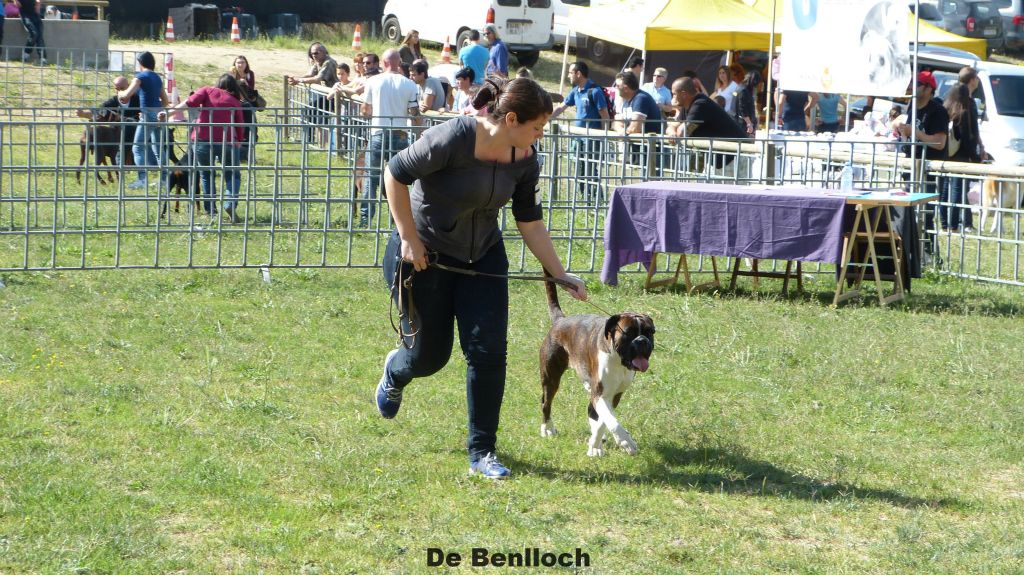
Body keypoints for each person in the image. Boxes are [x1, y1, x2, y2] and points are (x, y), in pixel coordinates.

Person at [376, 77, 588, 479]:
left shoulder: (526, 159)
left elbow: (530, 221)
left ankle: (483, 452)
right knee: (429, 357)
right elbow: (395, 173)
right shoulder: (453, 137)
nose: (541, 135)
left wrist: (560, 274)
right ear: (511, 119)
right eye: (538, 126)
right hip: (425, 257)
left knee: (489, 352)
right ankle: (396, 371)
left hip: (484, 258)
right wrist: (408, 238)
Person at [160, 74, 245, 222]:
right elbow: (240, 123)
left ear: (218, 83)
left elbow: (189, 102)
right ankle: (230, 204)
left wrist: (168, 113)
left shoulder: (207, 90)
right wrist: (239, 139)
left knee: (206, 175)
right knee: (233, 175)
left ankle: (211, 211)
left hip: (202, 140)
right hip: (227, 141)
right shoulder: (235, 101)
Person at [892, 70, 948, 263]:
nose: (912, 88)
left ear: (928, 88)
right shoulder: (912, 107)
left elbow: (940, 142)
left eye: (916, 84)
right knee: (909, 212)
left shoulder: (938, 111)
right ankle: (912, 255)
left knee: (926, 214)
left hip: (928, 169)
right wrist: (903, 132)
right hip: (911, 166)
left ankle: (931, 257)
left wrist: (915, 132)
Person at [360, 48, 419, 227]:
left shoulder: (373, 81)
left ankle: (365, 220)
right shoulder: (410, 84)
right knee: (399, 179)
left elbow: (365, 110)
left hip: (378, 132)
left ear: (384, 63)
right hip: (400, 134)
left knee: (371, 177)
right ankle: (398, 221)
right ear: (399, 63)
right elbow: (414, 112)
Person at [551, 61, 610, 200]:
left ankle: (597, 199)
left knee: (590, 169)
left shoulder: (595, 91)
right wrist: (546, 119)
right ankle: (584, 197)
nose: (568, 76)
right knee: (579, 168)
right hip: (577, 138)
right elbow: (561, 107)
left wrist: (604, 136)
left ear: (578, 74)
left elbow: (605, 115)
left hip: (592, 138)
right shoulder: (575, 91)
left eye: (570, 73)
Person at [118, 51, 169, 190]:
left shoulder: (139, 77)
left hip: (148, 115)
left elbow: (126, 96)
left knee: (137, 147)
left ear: (140, 63)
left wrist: (120, 93)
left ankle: (142, 179)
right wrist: (156, 110)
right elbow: (165, 101)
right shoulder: (157, 77)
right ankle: (164, 180)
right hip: (160, 115)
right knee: (158, 148)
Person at [942, 82, 982, 232]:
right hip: (961, 156)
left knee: (945, 190)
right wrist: (975, 157)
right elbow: (966, 138)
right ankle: (953, 225)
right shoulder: (963, 112)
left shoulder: (946, 109)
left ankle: (944, 223)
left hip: (947, 154)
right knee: (957, 191)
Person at [287, 42, 339, 142]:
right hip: (324, 95)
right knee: (310, 114)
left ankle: (310, 140)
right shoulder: (318, 62)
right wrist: (296, 78)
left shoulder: (329, 62)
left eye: (316, 53)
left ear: (324, 52)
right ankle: (309, 140)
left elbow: (317, 78)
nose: (314, 56)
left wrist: (299, 80)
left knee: (311, 113)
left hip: (332, 96)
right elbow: (310, 74)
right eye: (312, 54)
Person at [17, 0, 46, 65]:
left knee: (39, 35)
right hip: (25, 14)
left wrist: (38, 3)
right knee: (34, 33)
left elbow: (38, 2)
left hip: (35, 14)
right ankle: (25, 54)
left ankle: (43, 58)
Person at [734, 70, 762, 136]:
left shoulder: (739, 88)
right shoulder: (744, 91)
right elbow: (742, 108)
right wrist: (749, 123)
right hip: (742, 123)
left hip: (739, 120)